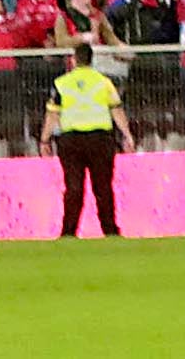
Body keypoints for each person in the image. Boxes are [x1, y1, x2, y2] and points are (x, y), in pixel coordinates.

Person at [45, 38, 129, 239]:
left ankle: (68, 232)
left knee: (74, 187)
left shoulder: (61, 83)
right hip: (100, 139)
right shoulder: (104, 82)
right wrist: (127, 135)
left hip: (71, 140)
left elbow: (53, 114)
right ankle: (110, 231)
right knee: (103, 187)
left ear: (74, 60)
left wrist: (44, 139)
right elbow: (116, 110)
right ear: (92, 60)